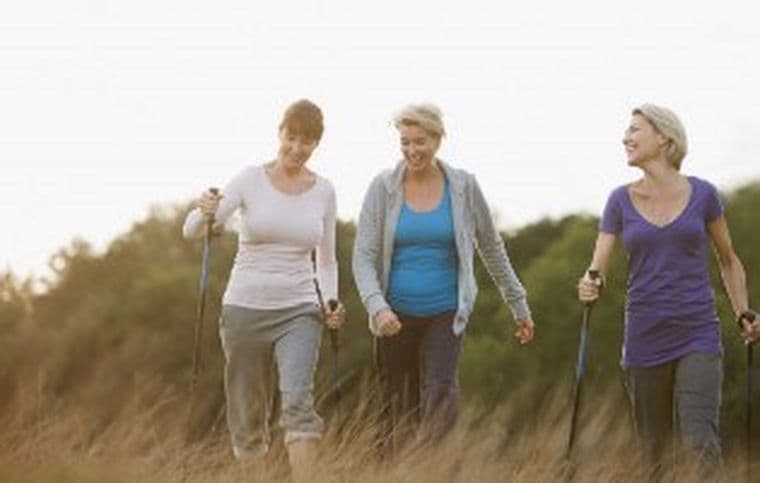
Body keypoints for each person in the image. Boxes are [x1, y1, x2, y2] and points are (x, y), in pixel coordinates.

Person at [577, 104, 758, 479]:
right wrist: (590, 283)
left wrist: (743, 311)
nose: (625, 138)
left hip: (698, 332)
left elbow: (728, 259)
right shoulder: (619, 200)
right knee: (654, 455)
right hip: (644, 336)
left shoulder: (704, 195)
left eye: (634, 130)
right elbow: (598, 266)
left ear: (663, 138)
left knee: (700, 444)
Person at [352, 103, 535, 449]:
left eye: (419, 142)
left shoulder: (464, 187)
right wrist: (377, 307)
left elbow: (491, 248)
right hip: (394, 315)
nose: (411, 150)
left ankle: (437, 470)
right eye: (404, 142)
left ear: (438, 139)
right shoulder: (383, 187)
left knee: (441, 396)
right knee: (397, 407)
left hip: (446, 311)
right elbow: (362, 255)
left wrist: (518, 304)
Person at [182, 99, 345, 481]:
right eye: (291, 137)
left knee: (298, 403)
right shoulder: (249, 180)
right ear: (280, 134)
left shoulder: (324, 191)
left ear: (316, 145)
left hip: (300, 309)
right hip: (244, 308)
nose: (296, 148)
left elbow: (327, 260)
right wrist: (203, 209)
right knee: (248, 412)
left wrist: (331, 302)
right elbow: (193, 231)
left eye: (306, 141)